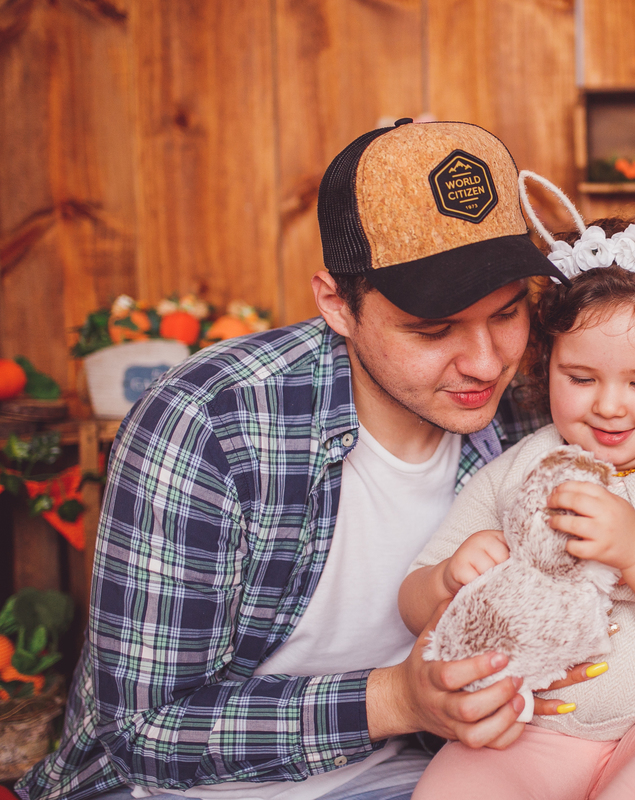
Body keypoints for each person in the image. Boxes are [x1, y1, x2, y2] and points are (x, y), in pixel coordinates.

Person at [16, 120, 604, 800]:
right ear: (337, 305)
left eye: (506, 314)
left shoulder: (538, 399)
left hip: (427, 775)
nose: (484, 362)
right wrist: (399, 700)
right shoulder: (209, 421)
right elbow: (142, 734)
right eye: (433, 329)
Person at [399, 164, 635, 800]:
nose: (608, 406)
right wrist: (446, 580)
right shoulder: (523, 464)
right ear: (545, 365)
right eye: (580, 378)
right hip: (534, 734)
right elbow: (413, 604)